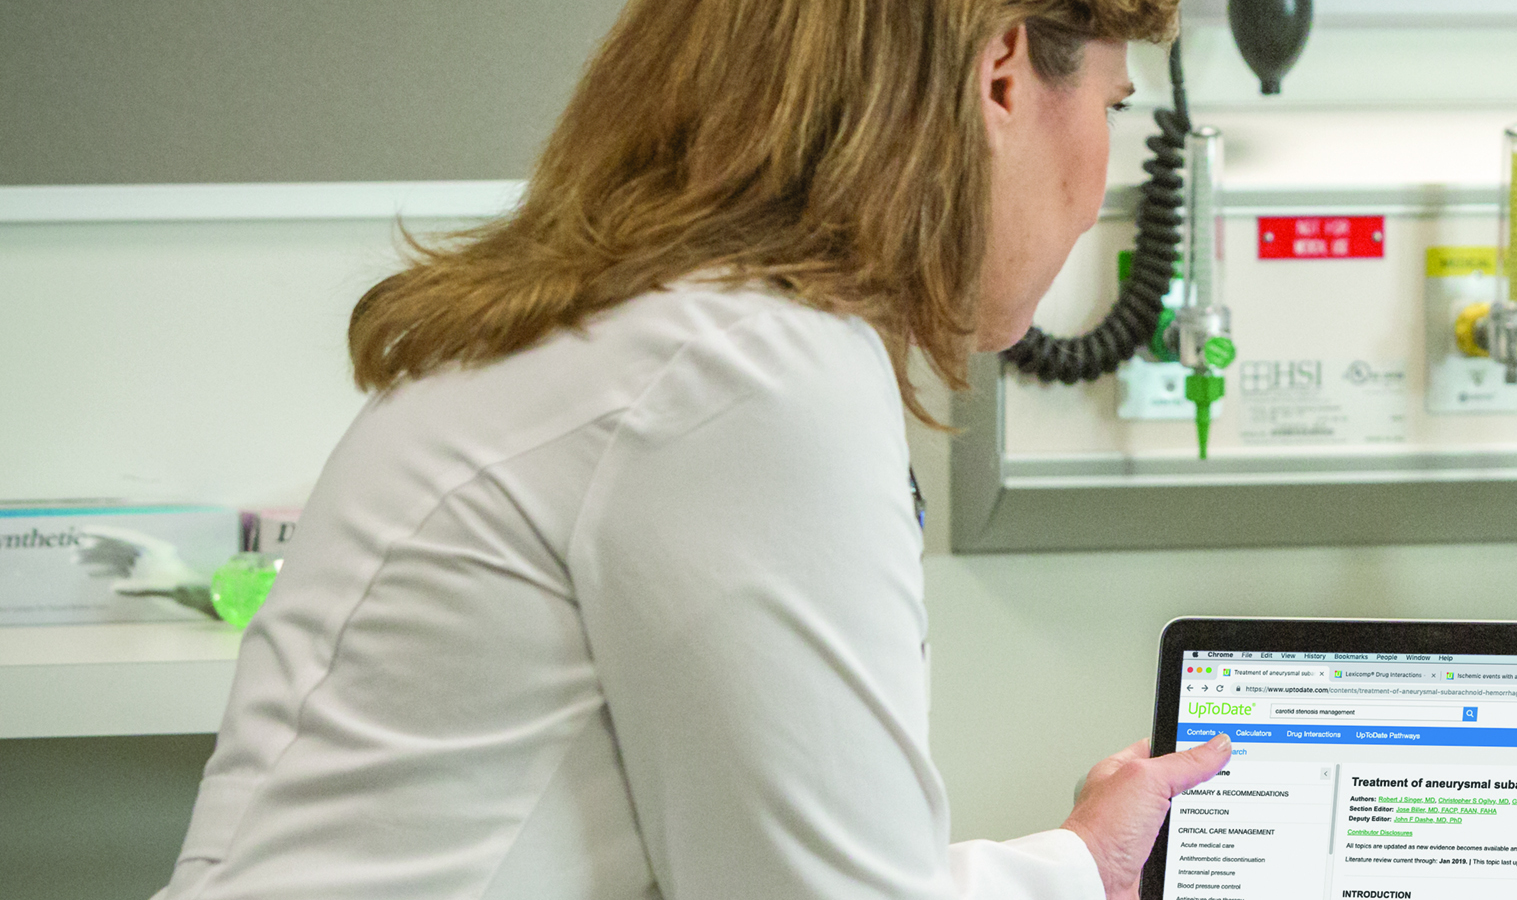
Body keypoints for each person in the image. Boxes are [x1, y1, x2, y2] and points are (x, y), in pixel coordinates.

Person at [152, 1, 1228, 898]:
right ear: (1001, 75)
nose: (1097, 198)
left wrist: (1078, 863)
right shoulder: (749, 369)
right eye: (1110, 107)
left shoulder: (649, 327)